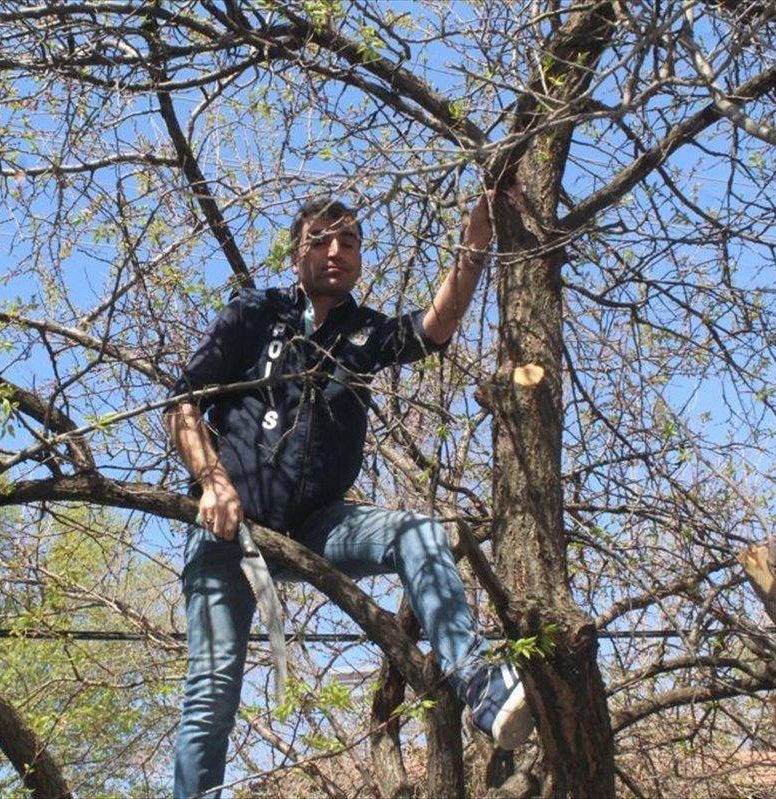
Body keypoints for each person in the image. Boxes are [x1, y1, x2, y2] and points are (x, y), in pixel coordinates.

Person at [165, 193, 533, 798]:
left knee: (416, 531)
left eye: (349, 241)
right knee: (212, 693)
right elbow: (183, 402)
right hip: (226, 531)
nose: (335, 251)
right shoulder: (254, 313)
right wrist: (213, 481)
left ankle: (480, 683)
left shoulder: (364, 333)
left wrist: (476, 239)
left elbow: (436, 324)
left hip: (318, 524)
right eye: (320, 240)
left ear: (360, 257)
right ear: (296, 254)